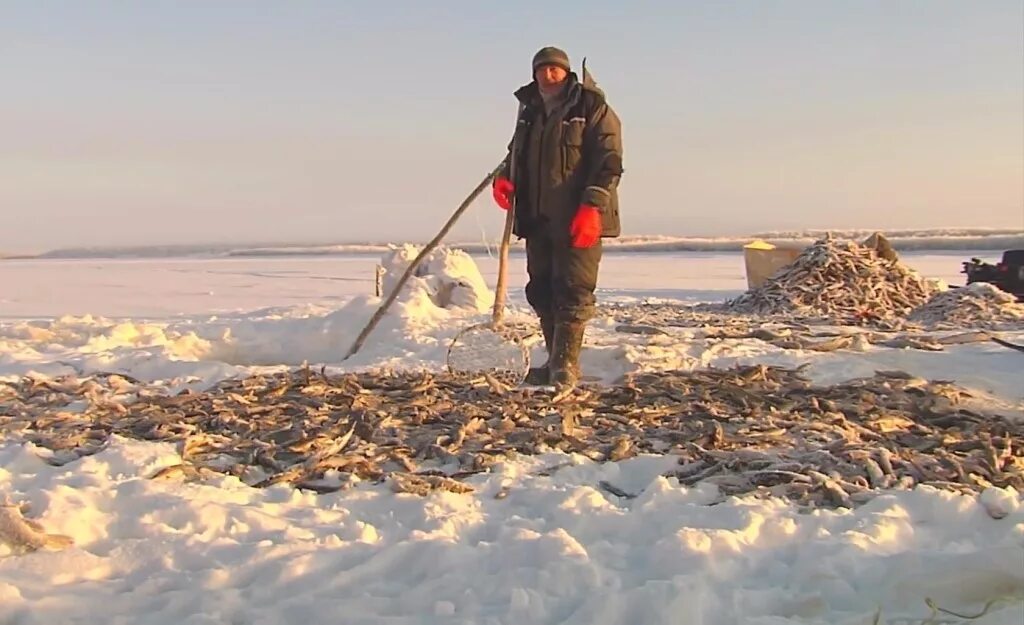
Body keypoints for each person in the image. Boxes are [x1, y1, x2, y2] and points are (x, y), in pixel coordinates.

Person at [491, 46, 624, 388]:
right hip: (538, 217)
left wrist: (592, 206)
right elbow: (515, 151)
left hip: (578, 216)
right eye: (542, 70)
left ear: (567, 73)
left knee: (574, 289)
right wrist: (504, 177)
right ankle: (553, 361)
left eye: (555, 70)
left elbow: (609, 160)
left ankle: (567, 365)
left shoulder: (590, 106)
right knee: (543, 289)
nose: (549, 76)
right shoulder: (530, 109)